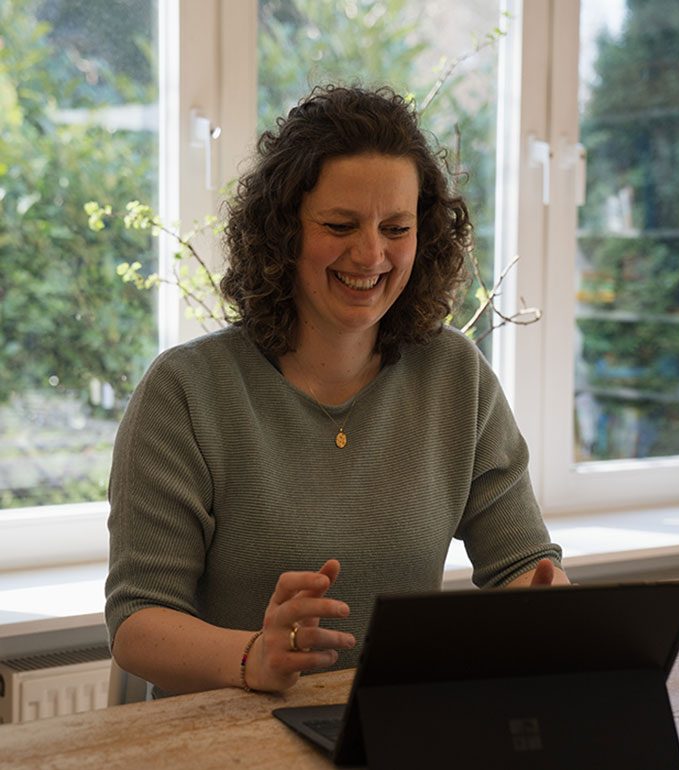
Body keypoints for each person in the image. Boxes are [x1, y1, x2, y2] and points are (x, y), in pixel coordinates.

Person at [105, 84, 568, 698]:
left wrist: (552, 613)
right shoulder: (187, 391)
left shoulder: (456, 375)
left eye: (396, 227)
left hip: (393, 730)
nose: (371, 253)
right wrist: (255, 656)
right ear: (282, 233)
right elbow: (137, 622)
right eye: (340, 224)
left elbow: (521, 566)